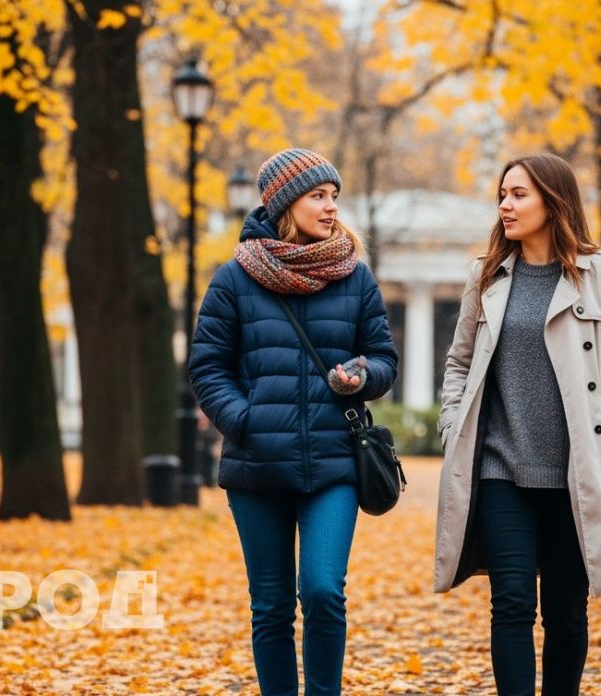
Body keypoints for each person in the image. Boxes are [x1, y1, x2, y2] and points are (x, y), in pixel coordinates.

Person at [434, 153, 601, 695]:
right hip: (498, 464)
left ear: (552, 201)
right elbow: (459, 362)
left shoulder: (599, 272)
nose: (505, 205)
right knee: (511, 601)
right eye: (502, 195)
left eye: (518, 194)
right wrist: (451, 424)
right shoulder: (484, 276)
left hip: (574, 471)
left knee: (566, 611)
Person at [188, 148, 398, 696]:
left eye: (334, 196)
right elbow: (208, 367)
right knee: (272, 606)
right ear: (283, 203)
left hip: (334, 464)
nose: (331, 207)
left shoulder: (355, 277)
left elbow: (383, 358)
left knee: (324, 591)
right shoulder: (234, 279)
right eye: (317, 196)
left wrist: (362, 373)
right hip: (257, 466)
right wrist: (244, 421)